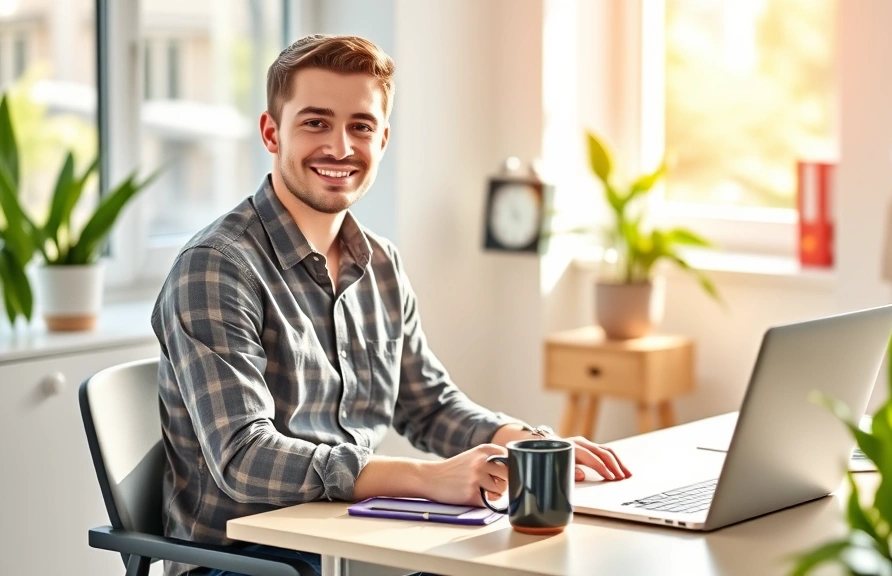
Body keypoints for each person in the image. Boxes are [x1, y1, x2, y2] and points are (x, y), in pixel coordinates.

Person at [152, 34, 631, 576]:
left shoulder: (380, 263)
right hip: (244, 562)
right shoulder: (217, 266)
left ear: (382, 138)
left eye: (360, 125)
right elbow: (243, 458)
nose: (339, 147)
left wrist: (520, 442)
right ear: (271, 132)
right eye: (315, 122)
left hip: (356, 538)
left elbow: (427, 405)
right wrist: (427, 479)